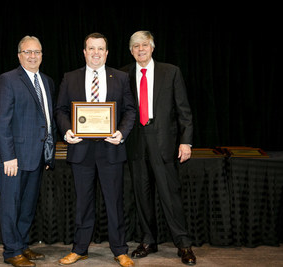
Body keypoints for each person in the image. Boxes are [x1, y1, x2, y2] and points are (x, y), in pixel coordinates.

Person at [55, 32, 136, 267]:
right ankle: (80, 249)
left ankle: (120, 250)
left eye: (100, 48)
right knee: (83, 202)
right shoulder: (70, 78)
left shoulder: (120, 78)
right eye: (91, 48)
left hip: (111, 150)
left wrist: (121, 133)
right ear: (84, 52)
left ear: (107, 52)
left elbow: (130, 110)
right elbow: (60, 110)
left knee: (114, 202)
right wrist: (67, 130)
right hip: (81, 150)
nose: (96, 53)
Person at [120, 30, 196, 265]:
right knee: (142, 195)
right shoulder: (123, 75)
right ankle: (148, 240)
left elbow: (183, 109)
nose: (140, 49)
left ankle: (183, 244)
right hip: (135, 141)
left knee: (169, 195)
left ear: (152, 47)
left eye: (144, 45)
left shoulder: (170, 71)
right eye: (135, 46)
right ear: (131, 51)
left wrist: (186, 140)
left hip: (163, 140)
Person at [0, 35, 56, 267]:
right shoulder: (7, 80)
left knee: (27, 206)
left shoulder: (46, 81)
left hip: (37, 157)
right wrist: (8, 156)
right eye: (27, 52)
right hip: (13, 159)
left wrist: (48, 153)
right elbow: (1, 121)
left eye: (37, 52)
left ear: (42, 55)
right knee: (11, 206)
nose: (32, 56)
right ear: (19, 55)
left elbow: (47, 120)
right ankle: (11, 252)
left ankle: (22, 245)